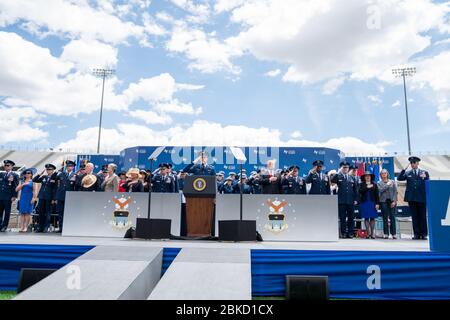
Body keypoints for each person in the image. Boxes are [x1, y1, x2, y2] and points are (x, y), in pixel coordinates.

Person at [397, 156, 430, 240]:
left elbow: (428, 184)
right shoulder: (408, 173)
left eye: (414, 162)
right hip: (412, 198)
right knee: (414, 217)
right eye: (411, 163)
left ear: (418, 163)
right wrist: (404, 169)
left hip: (421, 197)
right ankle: (416, 234)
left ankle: (424, 234)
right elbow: (399, 178)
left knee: (422, 216)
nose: (412, 164)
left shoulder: (424, 172)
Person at [331, 162, 359, 238]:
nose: (345, 169)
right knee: (342, 218)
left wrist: (356, 199)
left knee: (351, 218)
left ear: (348, 169)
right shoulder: (338, 176)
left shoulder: (352, 177)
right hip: (341, 201)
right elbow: (332, 180)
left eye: (346, 167)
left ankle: (350, 233)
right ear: (341, 168)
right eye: (344, 167)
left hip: (350, 201)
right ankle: (343, 233)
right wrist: (337, 172)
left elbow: (355, 189)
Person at [33, 164, 58, 233]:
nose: (48, 171)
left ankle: (46, 227)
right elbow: (34, 180)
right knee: (41, 212)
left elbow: (55, 189)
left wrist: (54, 198)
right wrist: (39, 174)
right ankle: (40, 227)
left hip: (49, 197)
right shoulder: (44, 177)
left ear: (53, 170)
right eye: (47, 169)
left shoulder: (55, 178)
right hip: (41, 196)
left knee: (48, 213)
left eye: (49, 169)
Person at [54, 160, 77, 232]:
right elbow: (54, 179)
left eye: (70, 166)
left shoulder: (75, 175)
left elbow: (76, 186)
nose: (68, 167)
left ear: (73, 167)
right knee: (60, 213)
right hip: (60, 196)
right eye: (67, 166)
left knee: (68, 213)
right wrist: (57, 172)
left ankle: (68, 228)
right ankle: (61, 228)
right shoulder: (61, 174)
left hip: (70, 197)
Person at [377, 169, 398, 239]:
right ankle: (386, 233)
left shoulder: (392, 181)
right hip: (383, 201)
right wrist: (387, 185)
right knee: (385, 217)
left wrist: (394, 201)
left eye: (385, 173)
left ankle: (394, 233)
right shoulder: (379, 183)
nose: (384, 174)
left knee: (392, 217)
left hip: (391, 201)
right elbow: (380, 190)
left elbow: (395, 192)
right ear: (381, 175)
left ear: (387, 174)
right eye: (382, 173)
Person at [359, 171, 380, 239]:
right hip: (364, 203)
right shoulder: (362, 184)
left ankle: (372, 233)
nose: (367, 177)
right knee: (366, 217)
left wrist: (377, 203)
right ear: (364, 177)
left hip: (372, 203)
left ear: (371, 177)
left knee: (372, 218)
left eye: (369, 176)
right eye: (366, 176)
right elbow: (360, 191)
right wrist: (367, 187)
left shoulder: (374, 184)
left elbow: (377, 195)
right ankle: (368, 233)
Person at [0, 160, 19, 232]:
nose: (6, 167)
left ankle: (4, 226)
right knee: (0, 212)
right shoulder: (1, 174)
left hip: (8, 197)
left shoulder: (15, 175)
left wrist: (14, 196)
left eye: (7, 165)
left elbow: (16, 186)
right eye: (5, 165)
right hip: (1, 196)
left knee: (7, 212)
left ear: (11, 166)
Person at [15, 168, 37, 232]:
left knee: (27, 213)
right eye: (26, 173)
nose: (27, 174)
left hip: (29, 198)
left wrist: (34, 198)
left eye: (29, 173)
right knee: (22, 213)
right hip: (23, 198)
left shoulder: (33, 182)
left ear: (31, 174)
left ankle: (26, 227)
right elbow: (16, 189)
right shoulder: (22, 182)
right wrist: (22, 185)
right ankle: (22, 227)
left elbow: (35, 191)